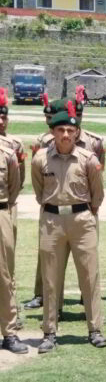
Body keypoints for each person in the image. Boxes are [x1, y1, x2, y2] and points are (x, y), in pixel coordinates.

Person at [32, 102, 106, 353]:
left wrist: (87, 212)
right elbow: (38, 192)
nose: (65, 134)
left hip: (82, 220)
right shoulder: (40, 158)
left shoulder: (88, 159)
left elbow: (97, 194)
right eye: (60, 130)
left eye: (70, 130)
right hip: (52, 220)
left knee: (89, 275)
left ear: (76, 133)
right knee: (50, 278)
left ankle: (95, 329)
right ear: (52, 132)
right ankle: (49, 332)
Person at [0, 102, 21, 354]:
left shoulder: (6, 153)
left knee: (3, 275)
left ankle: (9, 332)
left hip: (0, 212)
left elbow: (14, 188)